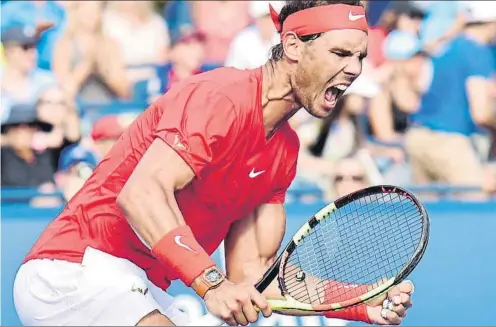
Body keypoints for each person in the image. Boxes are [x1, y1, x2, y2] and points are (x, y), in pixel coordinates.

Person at [13, 1, 415, 327]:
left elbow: (253, 275)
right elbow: (140, 195)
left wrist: (360, 302)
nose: (354, 68)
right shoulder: (221, 96)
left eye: (359, 56)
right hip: (74, 268)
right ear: (293, 46)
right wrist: (210, 284)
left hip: (137, 286)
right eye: (340, 53)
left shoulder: (284, 151)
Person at [404, 0, 496, 198]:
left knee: (428, 216)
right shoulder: (477, 51)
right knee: (476, 209)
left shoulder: (446, 47)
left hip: (417, 138)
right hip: (448, 141)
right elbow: (481, 113)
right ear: (491, 23)